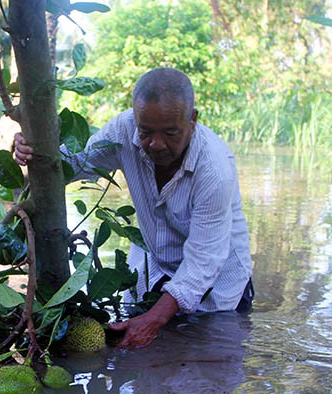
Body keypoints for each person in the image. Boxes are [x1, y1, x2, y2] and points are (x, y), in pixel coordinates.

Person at [13, 67, 254, 349]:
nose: (156, 144)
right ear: (136, 120)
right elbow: (74, 165)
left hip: (217, 288)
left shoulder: (214, 171)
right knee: (145, 377)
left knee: (202, 377)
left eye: (171, 133)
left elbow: (202, 263)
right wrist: (32, 152)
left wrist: (152, 321)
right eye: (146, 132)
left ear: (193, 121)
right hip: (156, 270)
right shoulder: (123, 130)